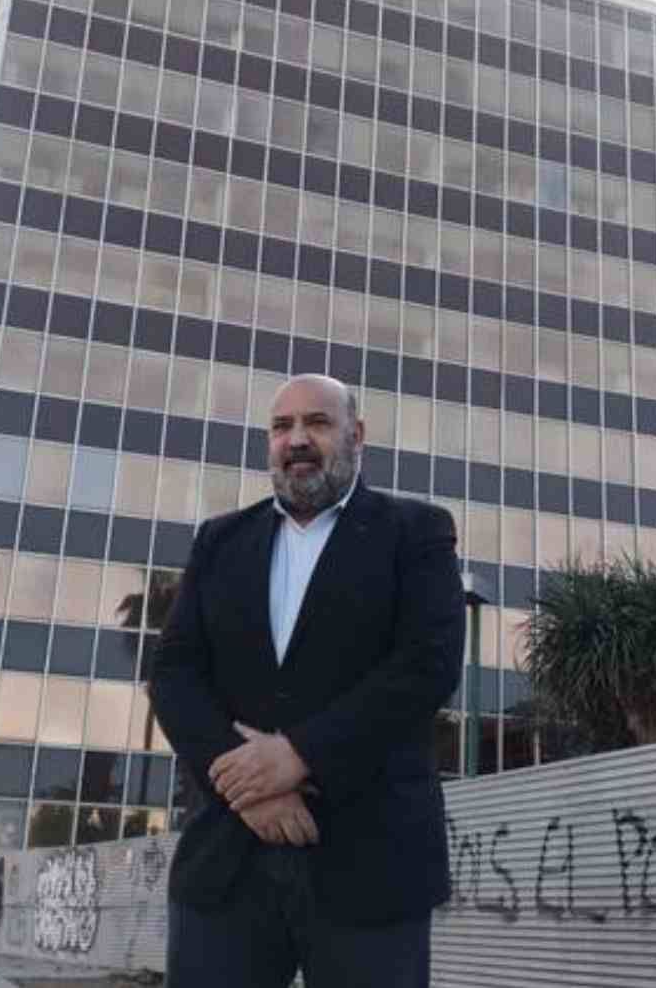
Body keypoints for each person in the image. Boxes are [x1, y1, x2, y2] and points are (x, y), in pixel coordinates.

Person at [150, 373, 465, 988]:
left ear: (356, 435)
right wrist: (250, 782)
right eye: (281, 426)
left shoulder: (417, 532)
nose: (297, 439)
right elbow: (173, 674)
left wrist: (300, 755)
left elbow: (426, 666)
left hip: (371, 863)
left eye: (316, 423)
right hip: (227, 861)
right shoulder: (219, 541)